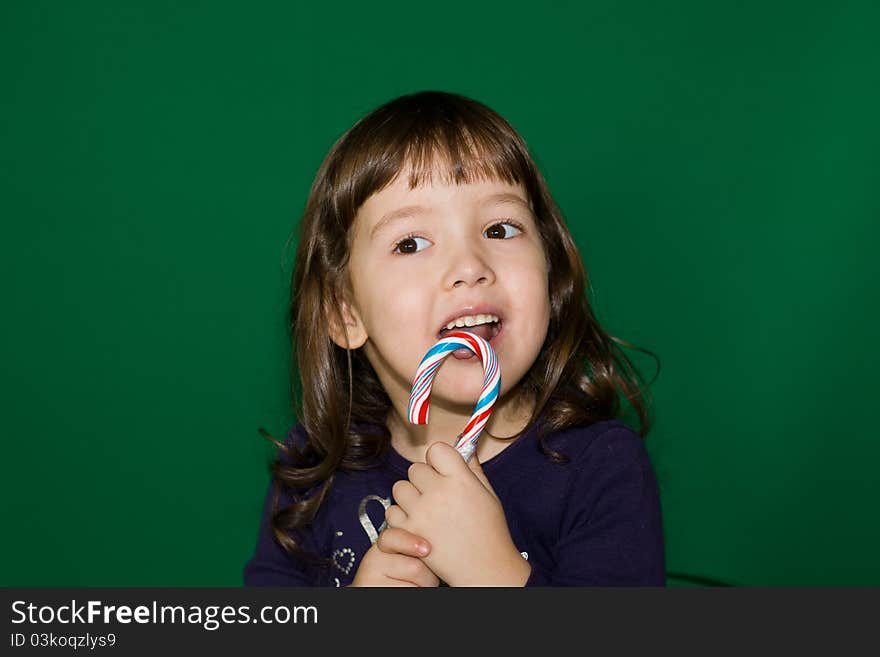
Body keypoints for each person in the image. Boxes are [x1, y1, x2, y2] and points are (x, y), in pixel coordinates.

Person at [243, 91, 665, 587]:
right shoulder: (315, 463)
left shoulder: (599, 467)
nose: (469, 267)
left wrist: (495, 574)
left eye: (501, 229)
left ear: (551, 275)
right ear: (345, 312)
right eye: (410, 243)